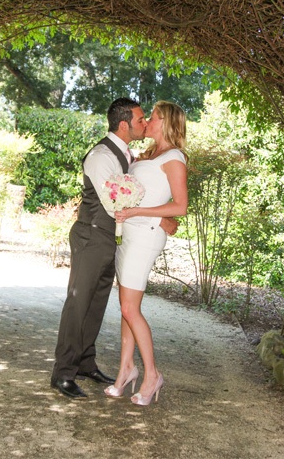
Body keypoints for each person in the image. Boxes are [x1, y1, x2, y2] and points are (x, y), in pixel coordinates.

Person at [51, 97, 178, 399]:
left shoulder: (129, 154)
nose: (145, 123)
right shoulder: (100, 155)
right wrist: (161, 215)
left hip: (112, 240)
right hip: (92, 236)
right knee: (78, 303)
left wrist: (163, 215)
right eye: (140, 119)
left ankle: (85, 362)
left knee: (96, 305)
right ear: (124, 124)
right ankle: (63, 373)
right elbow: (114, 201)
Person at [105, 101, 188, 406]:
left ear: (166, 123)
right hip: (129, 233)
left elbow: (180, 206)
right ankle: (125, 370)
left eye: (153, 117)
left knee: (129, 309)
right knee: (127, 306)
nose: (148, 121)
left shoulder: (174, 158)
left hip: (145, 236)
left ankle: (152, 375)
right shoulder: (148, 154)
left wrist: (140, 211)